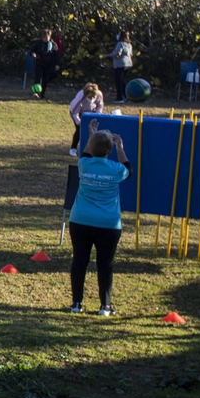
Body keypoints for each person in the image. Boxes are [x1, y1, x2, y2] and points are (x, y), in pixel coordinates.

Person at [67, 126, 130, 316]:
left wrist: (91, 135)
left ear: (91, 147)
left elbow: (86, 152)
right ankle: (105, 306)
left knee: (79, 261)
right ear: (109, 150)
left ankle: (76, 304)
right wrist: (120, 147)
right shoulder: (117, 169)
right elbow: (129, 168)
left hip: (80, 221)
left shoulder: (84, 165)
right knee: (105, 264)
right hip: (108, 225)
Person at [67, 82, 104, 156]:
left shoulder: (99, 94)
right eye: (90, 97)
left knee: (93, 129)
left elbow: (100, 106)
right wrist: (80, 123)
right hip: (78, 112)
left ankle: (92, 149)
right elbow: (74, 113)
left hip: (92, 112)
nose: (92, 99)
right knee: (80, 130)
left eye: (94, 97)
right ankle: (73, 149)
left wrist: (97, 115)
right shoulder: (80, 98)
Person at [28, 29, 61, 99]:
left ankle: (42, 94)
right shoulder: (38, 44)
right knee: (37, 77)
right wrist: (33, 53)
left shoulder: (53, 45)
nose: (45, 39)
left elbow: (57, 55)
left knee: (45, 80)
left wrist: (57, 64)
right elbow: (31, 50)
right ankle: (36, 93)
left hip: (49, 65)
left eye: (47, 37)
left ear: (50, 37)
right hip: (39, 63)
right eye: (44, 37)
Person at [103, 31, 134, 102]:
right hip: (128, 64)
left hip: (120, 64)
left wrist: (107, 55)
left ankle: (119, 98)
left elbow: (118, 53)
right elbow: (131, 54)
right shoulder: (129, 45)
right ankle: (126, 96)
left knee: (118, 81)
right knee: (123, 81)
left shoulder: (120, 44)